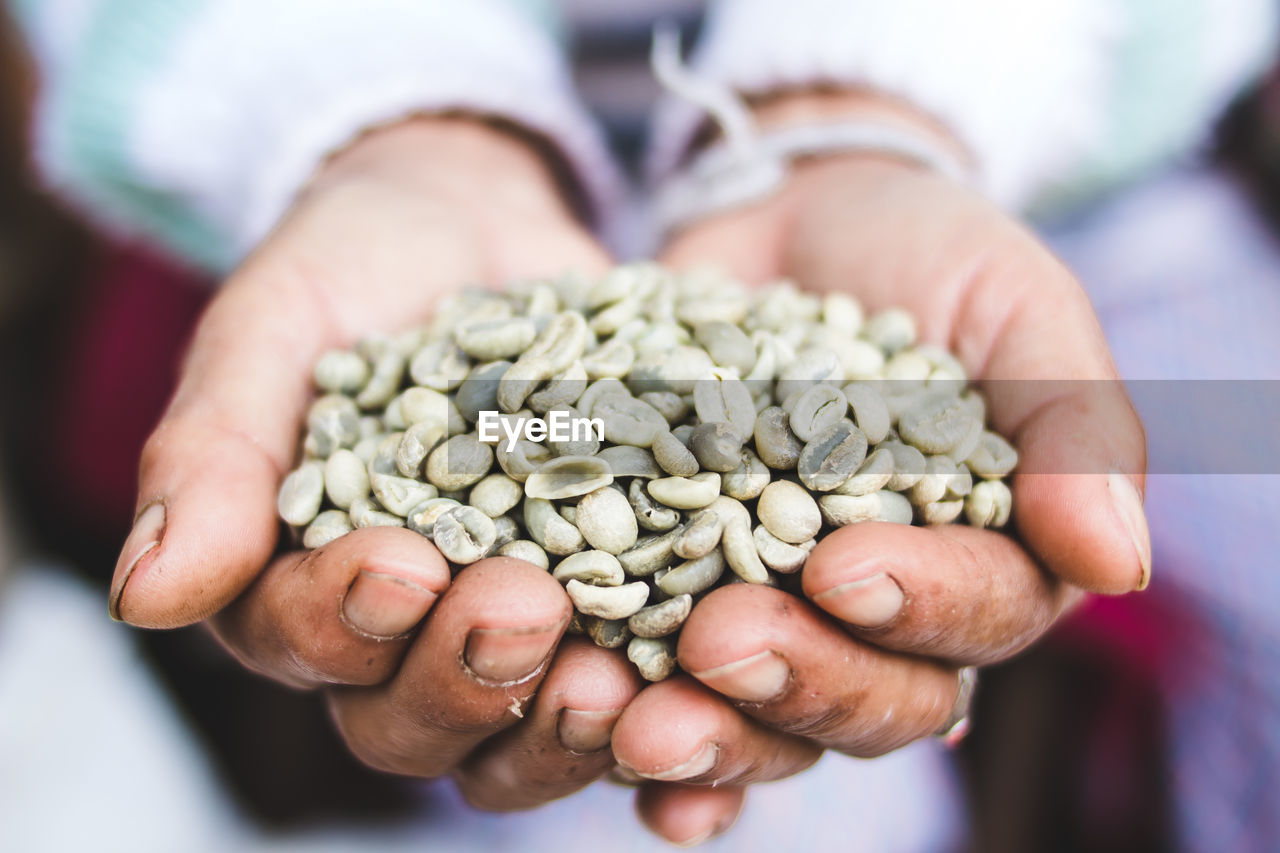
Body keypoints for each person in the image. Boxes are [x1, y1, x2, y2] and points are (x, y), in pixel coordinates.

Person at [6, 0, 1273, 848]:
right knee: (608, 748)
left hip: (1035, 147)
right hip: (314, 159)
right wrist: (383, 123)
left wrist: (869, 108)